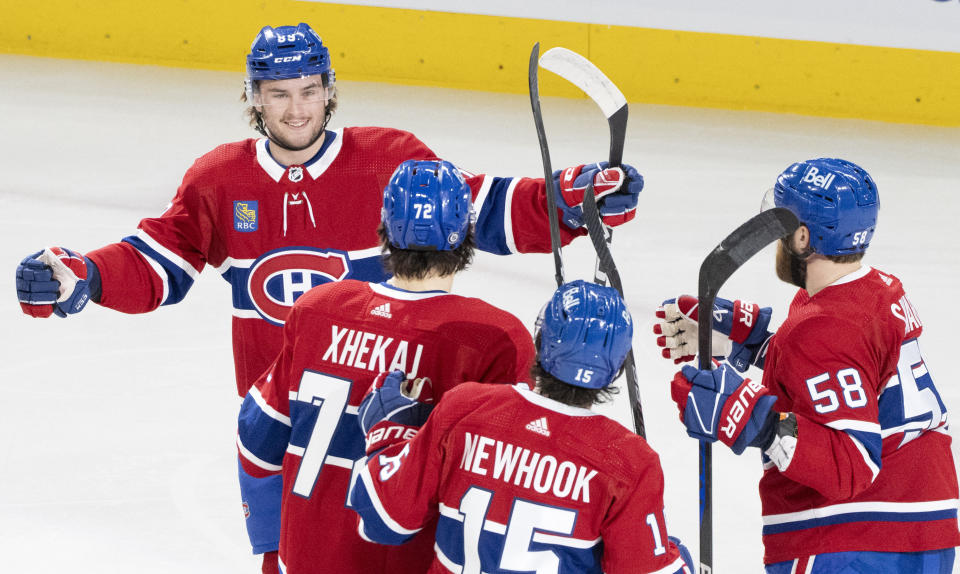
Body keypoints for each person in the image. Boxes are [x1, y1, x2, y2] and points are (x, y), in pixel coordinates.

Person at [13, 22, 646, 572]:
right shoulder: (220, 180)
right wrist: (85, 276)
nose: (296, 110)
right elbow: (160, 258)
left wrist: (568, 197)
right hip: (293, 430)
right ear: (254, 98)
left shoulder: (385, 161)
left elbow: (477, 205)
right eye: (279, 94)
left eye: (309, 91)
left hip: (399, 442)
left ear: (330, 89)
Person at [237, 158, 542, 573]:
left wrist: (275, 550)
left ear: (383, 228)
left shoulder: (318, 309)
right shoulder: (494, 339)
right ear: (468, 233)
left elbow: (257, 440)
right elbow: (499, 491)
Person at [655, 158, 959, 573]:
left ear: (802, 237)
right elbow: (844, 379)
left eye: (779, 227)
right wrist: (754, 345)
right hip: (917, 526)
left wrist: (755, 420)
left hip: (854, 541)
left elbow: (852, 463)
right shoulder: (874, 289)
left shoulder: (826, 328)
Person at [350, 279, 695, 574]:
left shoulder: (466, 408)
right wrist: (673, 558)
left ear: (540, 342)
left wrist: (388, 431)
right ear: (617, 370)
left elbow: (383, 521)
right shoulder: (628, 462)